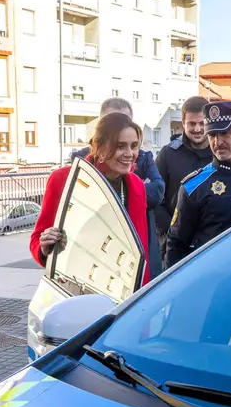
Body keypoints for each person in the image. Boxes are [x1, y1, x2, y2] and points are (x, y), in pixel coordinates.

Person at [164, 101, 231, 345]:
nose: (218, 142)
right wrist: (178, 294)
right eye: (213, 135)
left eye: (225, 133)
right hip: (212, 292)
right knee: (207, 358)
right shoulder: (194, 186)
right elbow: (176, 245)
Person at [31, 112, 152, 286]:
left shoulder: (136, 185)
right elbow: (37, 239)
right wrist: (45, 247)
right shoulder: (63, 179)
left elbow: (141, 248)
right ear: (100, 148)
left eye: (134, 146)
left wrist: (142, 290)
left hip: (126, 288)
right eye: (120, 146)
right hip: (78, 285)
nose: (129, 153)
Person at [70, 97, 165, 278]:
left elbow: (158, 191)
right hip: (94, 258)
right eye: (113, 120)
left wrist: (131, 191)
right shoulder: (80, 160)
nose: (120, 127)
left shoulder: (142, 157)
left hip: (137, 253)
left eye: (125, 120)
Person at [155, 96, 212, 254]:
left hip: (212, 242)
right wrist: (172, 233)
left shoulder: (219, 153)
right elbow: (156, 201)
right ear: (183, 123)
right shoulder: (168, 154)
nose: (198, 129)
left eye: (202, 123)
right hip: (175, 245)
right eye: (192, 123)